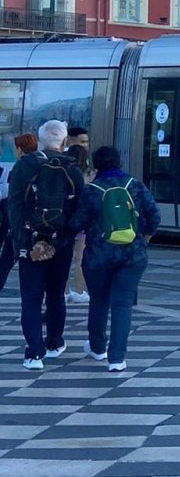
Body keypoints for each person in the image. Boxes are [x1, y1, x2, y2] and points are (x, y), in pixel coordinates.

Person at [69, 145, 159, 373]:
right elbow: (154, 215)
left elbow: (76, 223)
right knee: (122, 304)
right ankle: (117, 358)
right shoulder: (135, 185)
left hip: (98, 257)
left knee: (99, 301)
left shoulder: (92, 190)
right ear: (119, 162)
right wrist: (144, 236)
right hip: (132, 255)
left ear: (96, 165)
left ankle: (98, 347)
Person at [7, 121, 86, 369]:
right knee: (55, 296)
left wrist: (25, 242)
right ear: (64, 142)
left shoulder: (24, 166)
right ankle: (54, 343)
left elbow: (15, 207)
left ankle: (33, 353)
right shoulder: (72, 169)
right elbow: (78, 213)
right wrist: (60, 241)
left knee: (30, 299)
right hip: (60, 245)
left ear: (40, 142)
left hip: (29, 243)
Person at [0, 133, 38, 292]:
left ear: (20, 150)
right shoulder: (42, 165)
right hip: (36, 222)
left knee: (6, 260)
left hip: (17, 222)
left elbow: (11, 196)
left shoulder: (19, 168)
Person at [65, 143, 92, 304]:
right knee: (80, 259)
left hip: (67, 220)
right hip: (82, 221)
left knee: (65, 258)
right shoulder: (88, 175)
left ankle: (64, 290)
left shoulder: (65, 172)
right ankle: (80, 291)